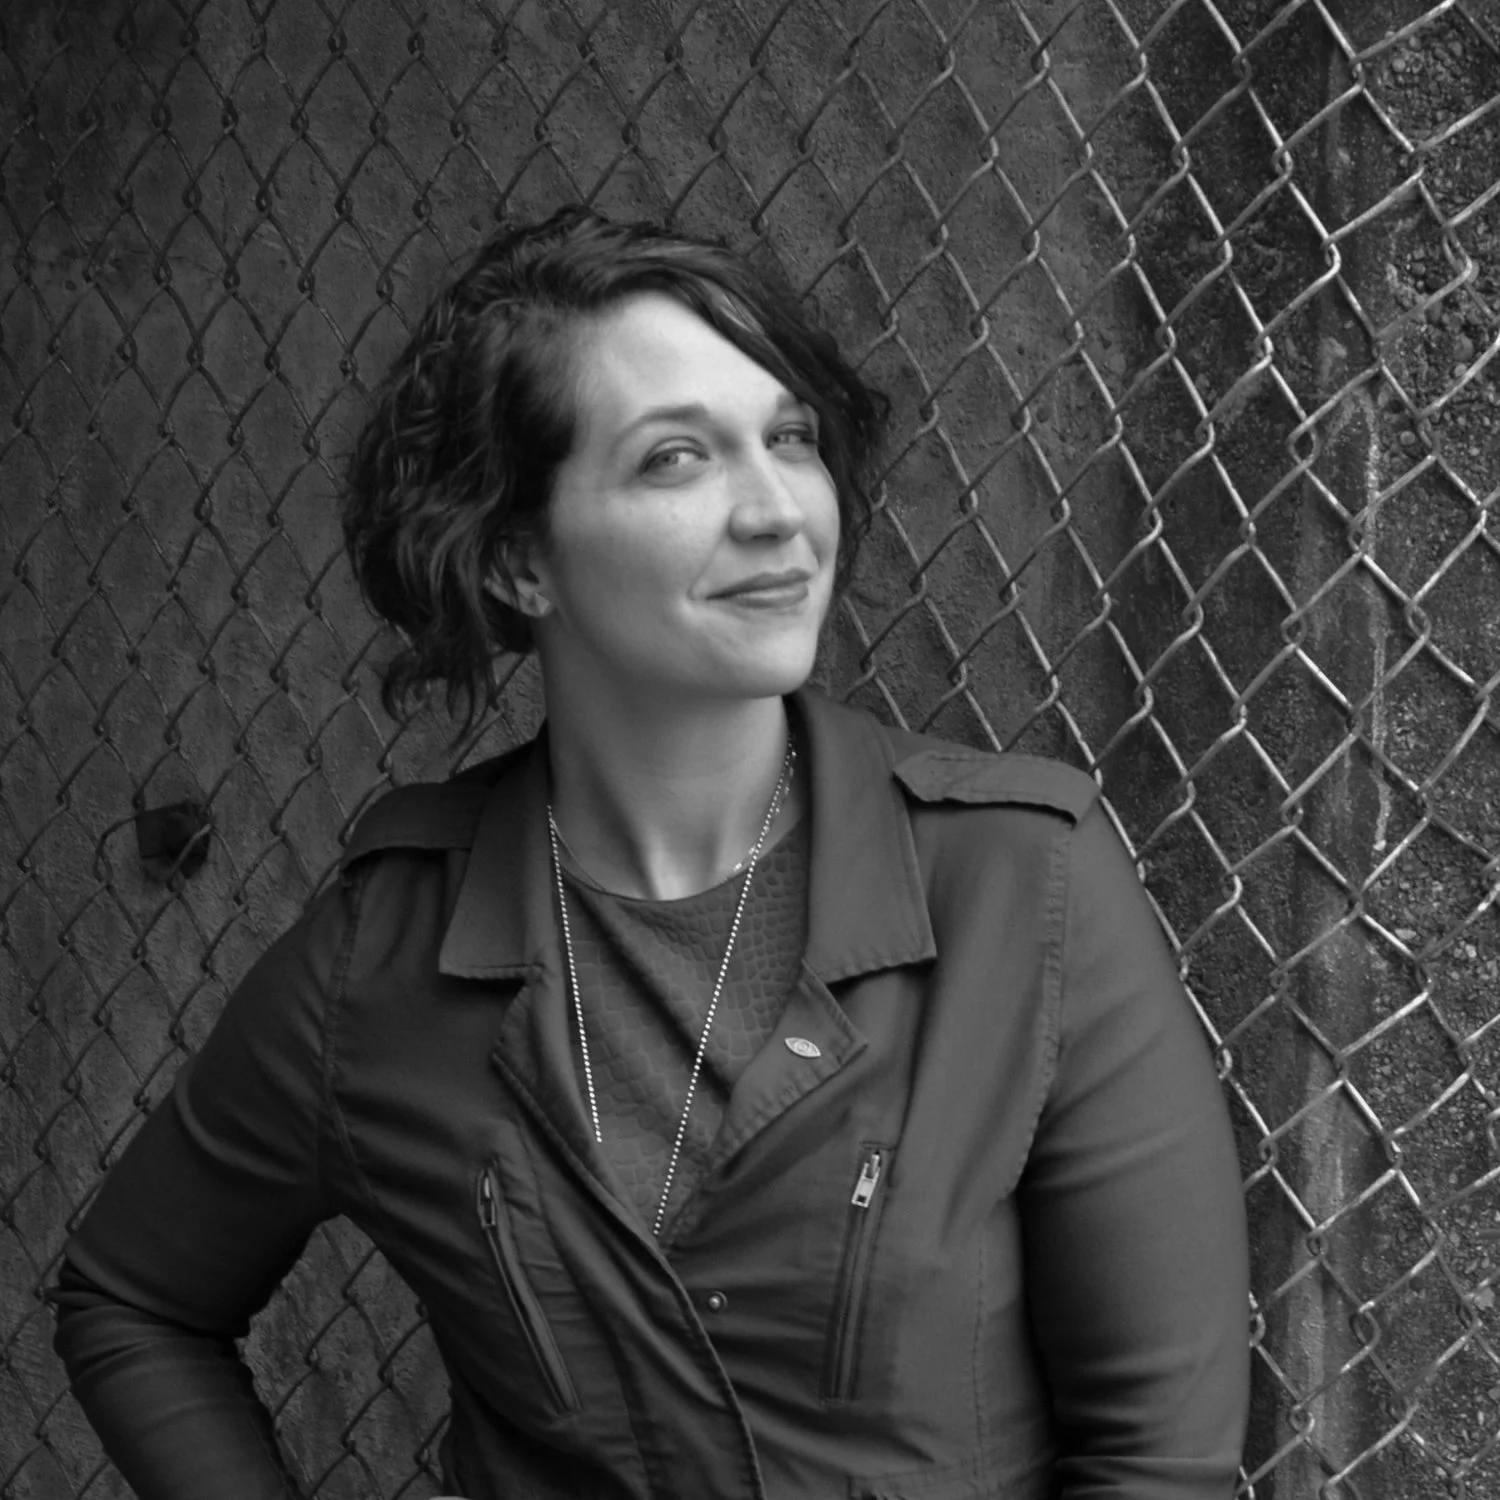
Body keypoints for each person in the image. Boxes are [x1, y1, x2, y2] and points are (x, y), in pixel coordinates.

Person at [51, 206, 1250, 1499]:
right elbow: (132, 1300)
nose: (777, 511)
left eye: (789, 440)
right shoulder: (381, 967)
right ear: (521, 562)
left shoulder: (1025, 883)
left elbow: (1160, 1461)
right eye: (677, 458)